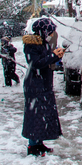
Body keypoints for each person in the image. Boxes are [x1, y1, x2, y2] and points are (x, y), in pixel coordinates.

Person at [22, 18, 64, 156]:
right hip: (35, 85)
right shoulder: (32, 45)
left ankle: (39, 143)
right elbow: (36, 64)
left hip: (43, 84)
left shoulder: (43, 44)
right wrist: (53, 55)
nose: (51, 35)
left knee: (42, 115)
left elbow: (46, 60)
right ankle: (32, 145)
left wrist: (56, 56)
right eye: (49, 32)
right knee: (35, 115)